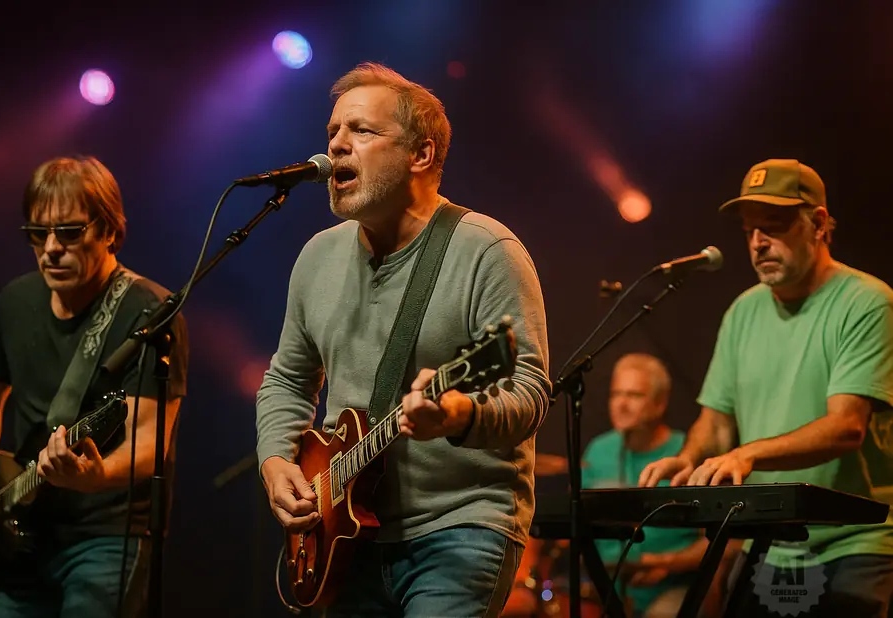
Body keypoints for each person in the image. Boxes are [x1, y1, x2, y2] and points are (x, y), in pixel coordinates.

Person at [255, 62, 551, 617]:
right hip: (348, 533)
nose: (337, 147)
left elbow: (530, 393)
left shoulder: (488, 251)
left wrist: (460, 414)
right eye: (333, 133)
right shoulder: (317, 257)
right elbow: (288, 378)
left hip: (460, 524)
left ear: (422, 154)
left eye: (362, 132)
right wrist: (275, 460)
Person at [638, 159, 893, 616]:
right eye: (750, 230)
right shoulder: (743, 311)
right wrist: (690, 456)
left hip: (854, 541)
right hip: (769, 543)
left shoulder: (867, 301)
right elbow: (715, 423)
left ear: (817, 225)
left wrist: (747, 453)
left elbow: (846, 427)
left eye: (772, 227)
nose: (758, 243)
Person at [0, 156, 188, 617]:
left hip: (106, 535)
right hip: (22, 533)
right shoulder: (16, 301)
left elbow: (149, 439)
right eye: (38, 234)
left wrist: (95, 476)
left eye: (69, 232)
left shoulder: (150, 312)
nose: (50, 249)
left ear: (108, 230)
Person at [581, 353, 706, 618]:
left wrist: (667, 564)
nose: (621, 404)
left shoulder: (686, 455)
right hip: (605, 590)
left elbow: (723, 544)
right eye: (616, 394)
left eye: (634, 395)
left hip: (672, 587)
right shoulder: (597, 451)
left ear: (660, 404)